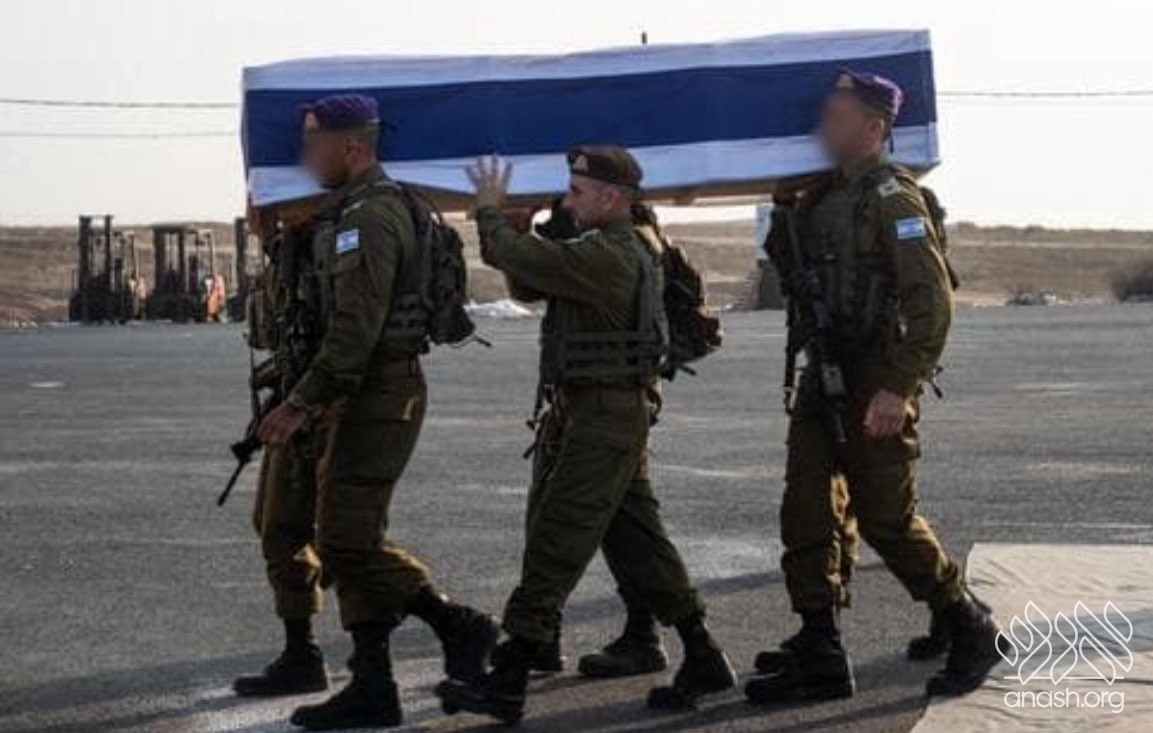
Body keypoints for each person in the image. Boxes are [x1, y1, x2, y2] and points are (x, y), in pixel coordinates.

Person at [435, 147, 735, 725]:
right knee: (640, 544)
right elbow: (530, 284)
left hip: (604, 419)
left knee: (558, 537)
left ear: (611, 197)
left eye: (576, 192)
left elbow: (515, 254)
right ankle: (702, 655)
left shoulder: (614, 253)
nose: (567, 202)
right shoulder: (603, 247)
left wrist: (490, 211)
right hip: (596, 414)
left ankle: (509, 678)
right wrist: (521, 232)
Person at [745, 70, 1001, 704]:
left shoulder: (894, 199)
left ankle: (969, 624)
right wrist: (783, 209)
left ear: (874, 128)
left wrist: (898, 387)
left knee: (886, 517)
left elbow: (932, 303)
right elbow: (791, 266)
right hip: (823, 372)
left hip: (874, 375)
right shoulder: (822, 196)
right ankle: (820, 642)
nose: (823, 129)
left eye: (836, 117)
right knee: (806, 507)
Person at [255, 93, 498, 731]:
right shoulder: (348, 213)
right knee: (340, 535)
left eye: (313, 143)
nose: (305, 155)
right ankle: (373, 685)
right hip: (353, 390)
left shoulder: (370, 217)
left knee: (344, 540)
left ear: (352, 146)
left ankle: (459, 624)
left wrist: (300, 403)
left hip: (376, 392)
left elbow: (356, 330)